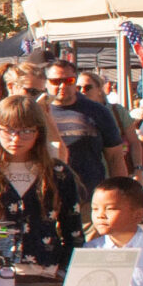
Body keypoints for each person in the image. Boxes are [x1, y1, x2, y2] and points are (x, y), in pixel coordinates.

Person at [0, 95, 83, 274]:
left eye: (26, 131)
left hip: (45, 271)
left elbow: (73, 232)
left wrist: (63, 271)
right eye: (8, 130)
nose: (16, 138)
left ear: (39, 132)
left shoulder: (58, 172)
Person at [43, 59, 128, 202]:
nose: (62, 86)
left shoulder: (97, 111)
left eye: (68, 80)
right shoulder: (37, 111)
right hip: (47, 197)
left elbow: (115, 157)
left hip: (90, 197)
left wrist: (121, 195)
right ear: (46, 83)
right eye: (56, 81)